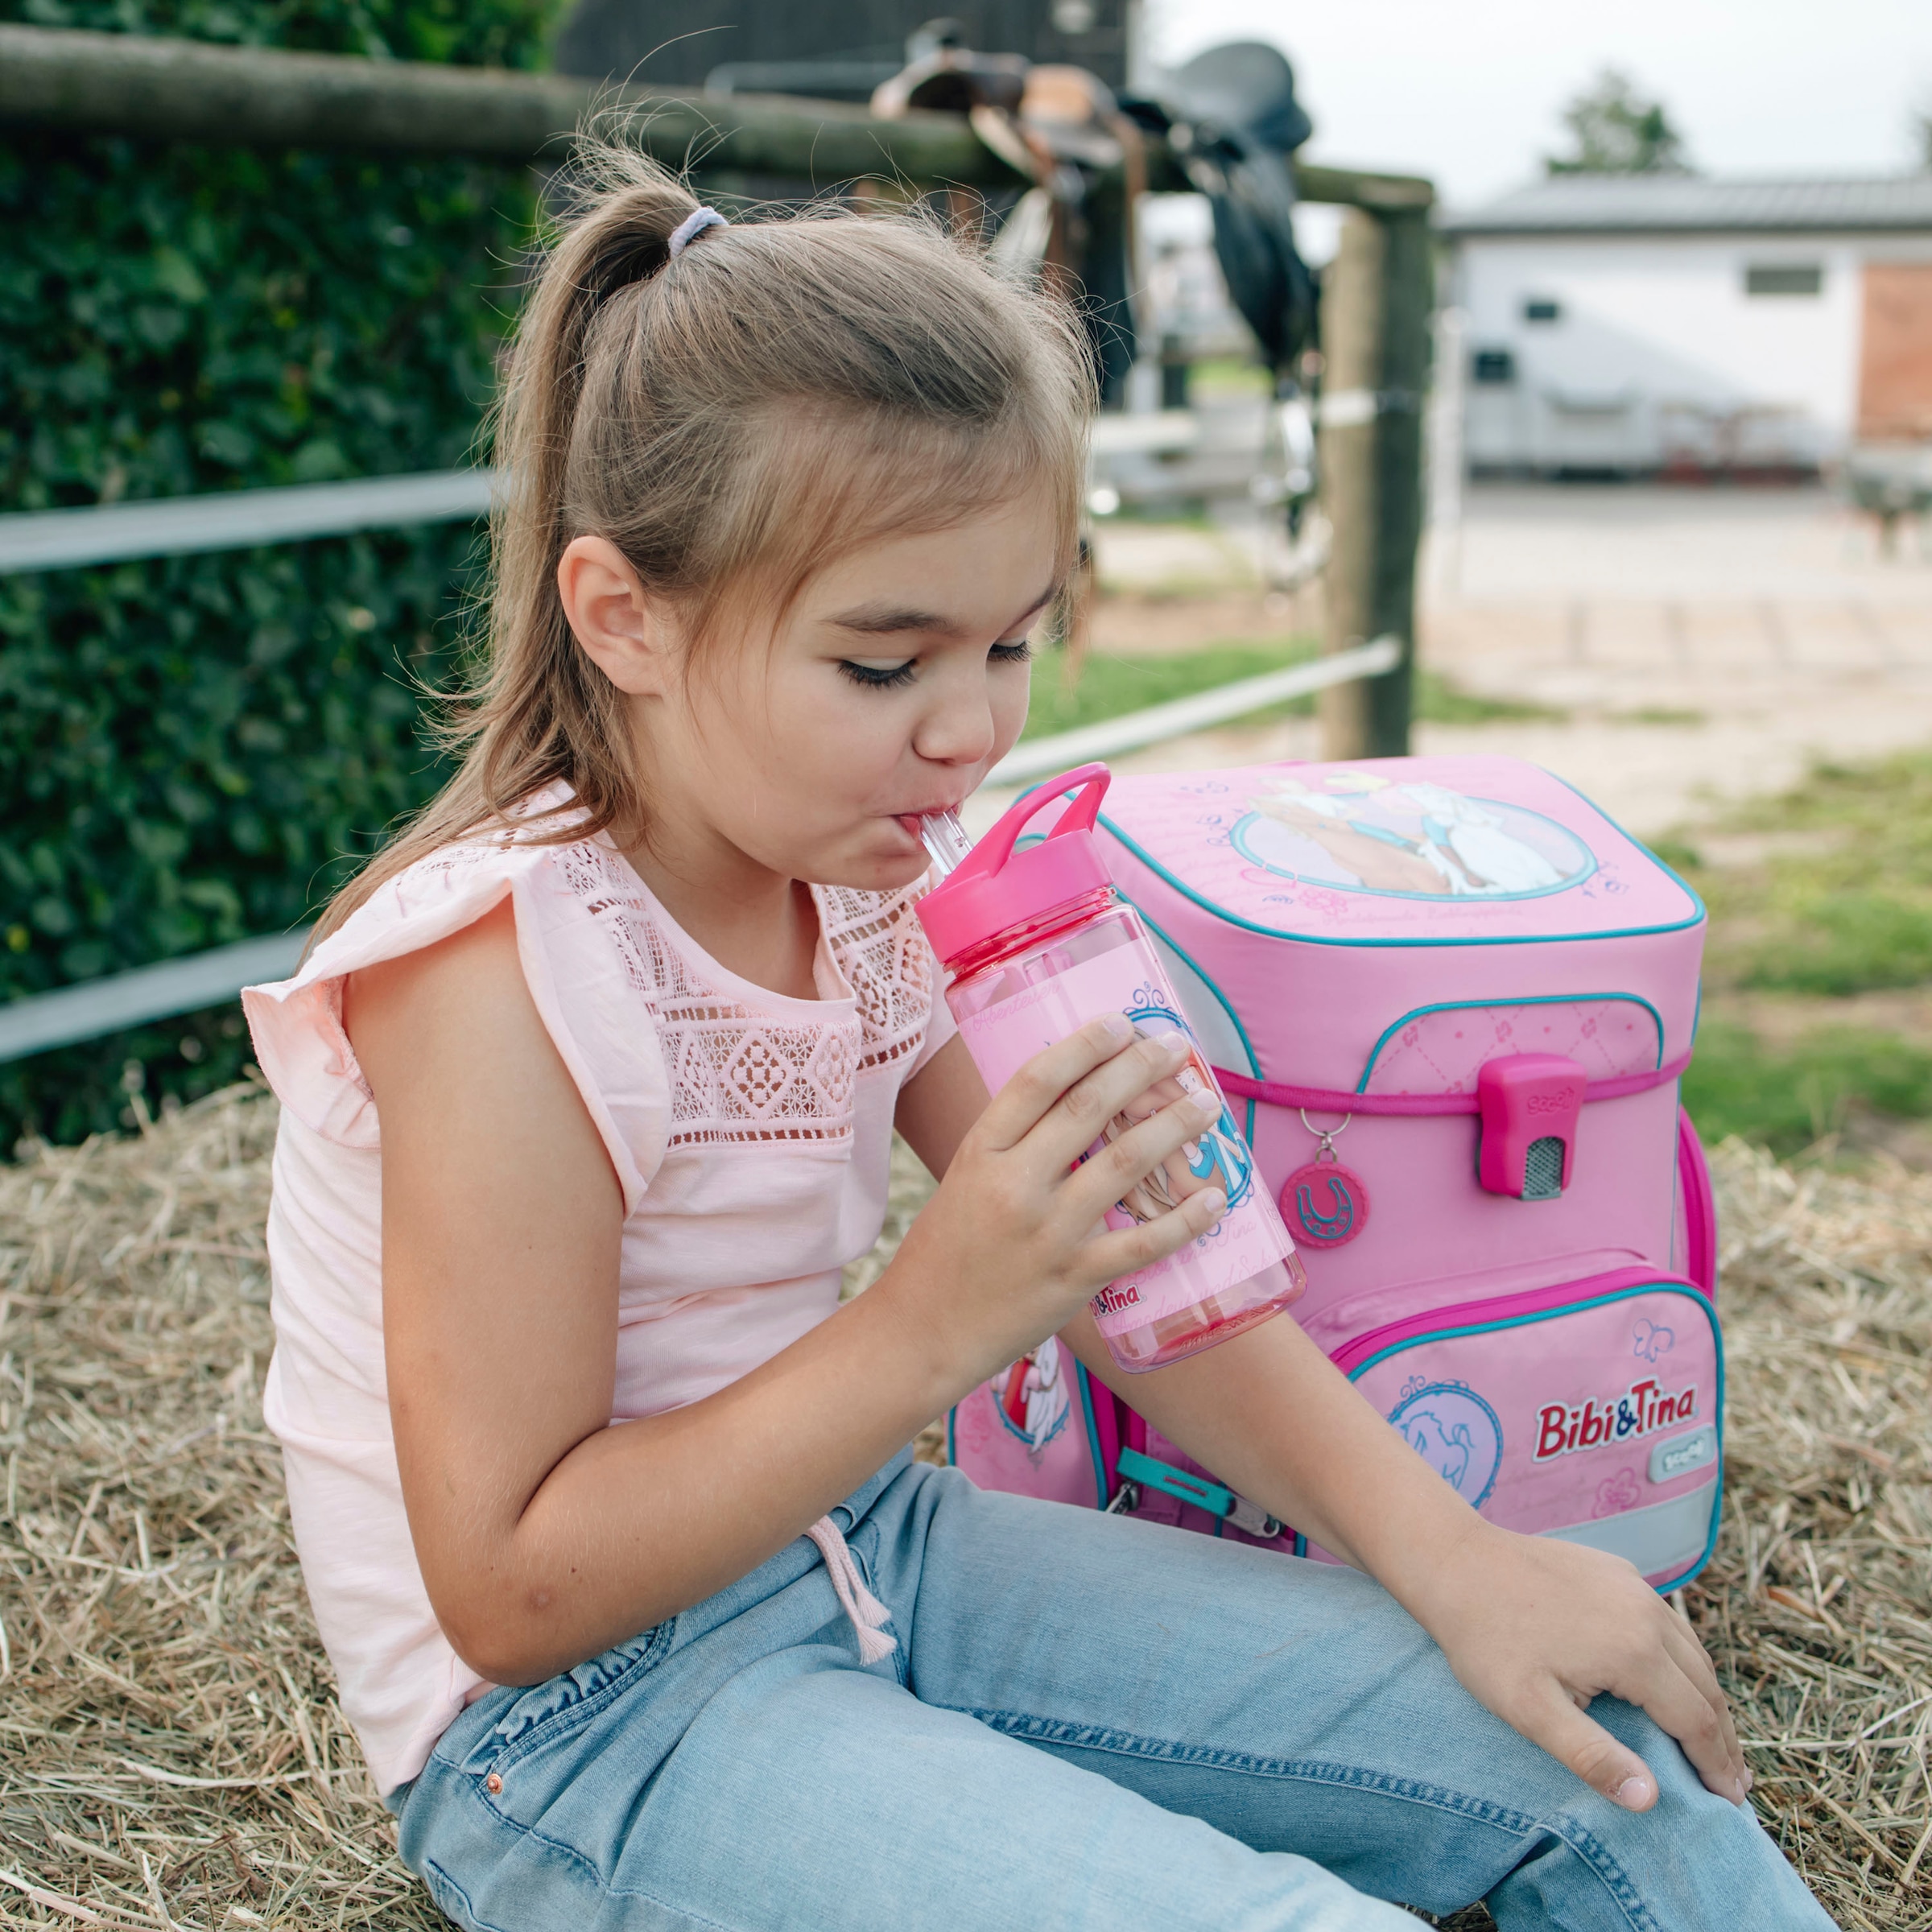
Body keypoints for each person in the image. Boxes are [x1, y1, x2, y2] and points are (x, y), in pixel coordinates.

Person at [242, 147, 1831, 1931]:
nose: (968, 732)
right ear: (628, 617)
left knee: (1603, 1751)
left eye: (1011, 643)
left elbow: (1141, 1272)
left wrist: (1460, 1562)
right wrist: (936, 1320)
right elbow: (512, 1592)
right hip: (587, 1731)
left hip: (876, 1557)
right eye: (883, 661)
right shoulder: (499, 974)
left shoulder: (864, 890)